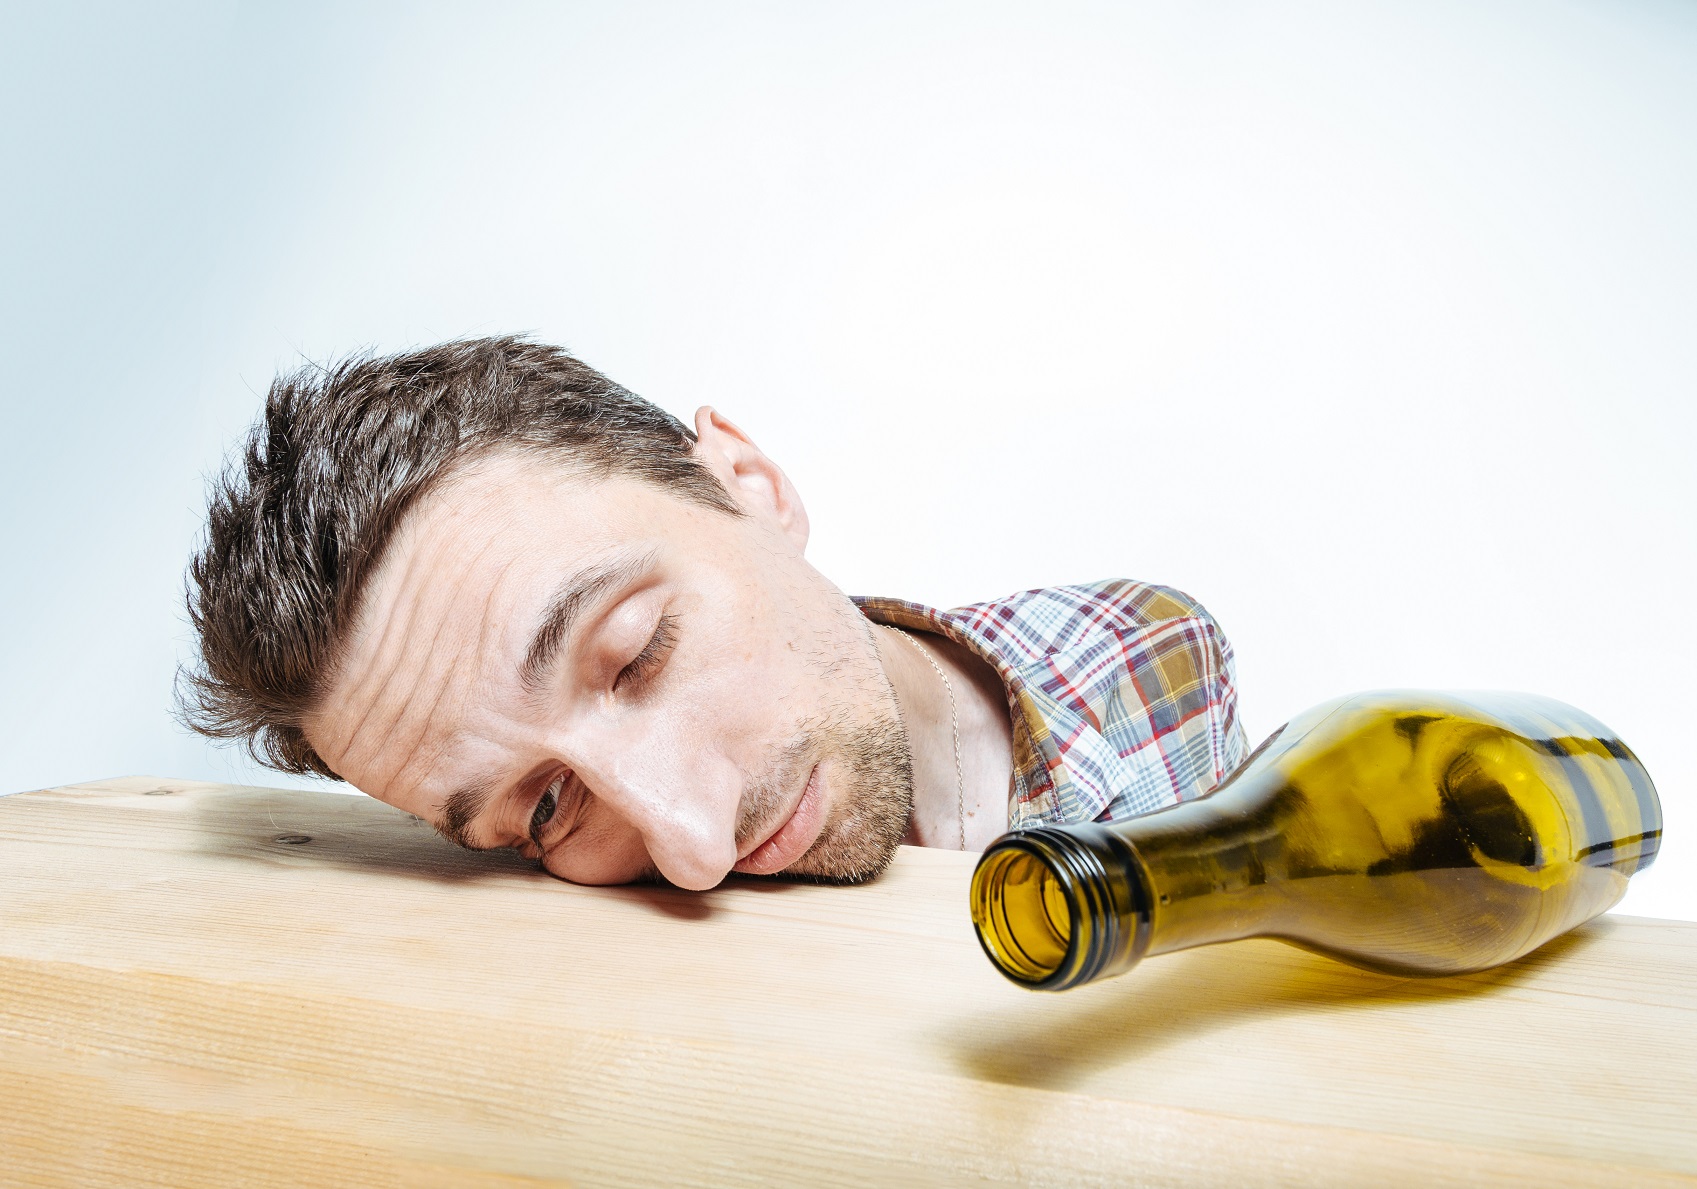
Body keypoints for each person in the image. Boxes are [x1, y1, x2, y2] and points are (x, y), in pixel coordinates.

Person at [181, 336, 1249, 891]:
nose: (689, 843)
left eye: (637, 653)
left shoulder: (1149, 661)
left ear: (749, 483)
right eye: (548, 811)